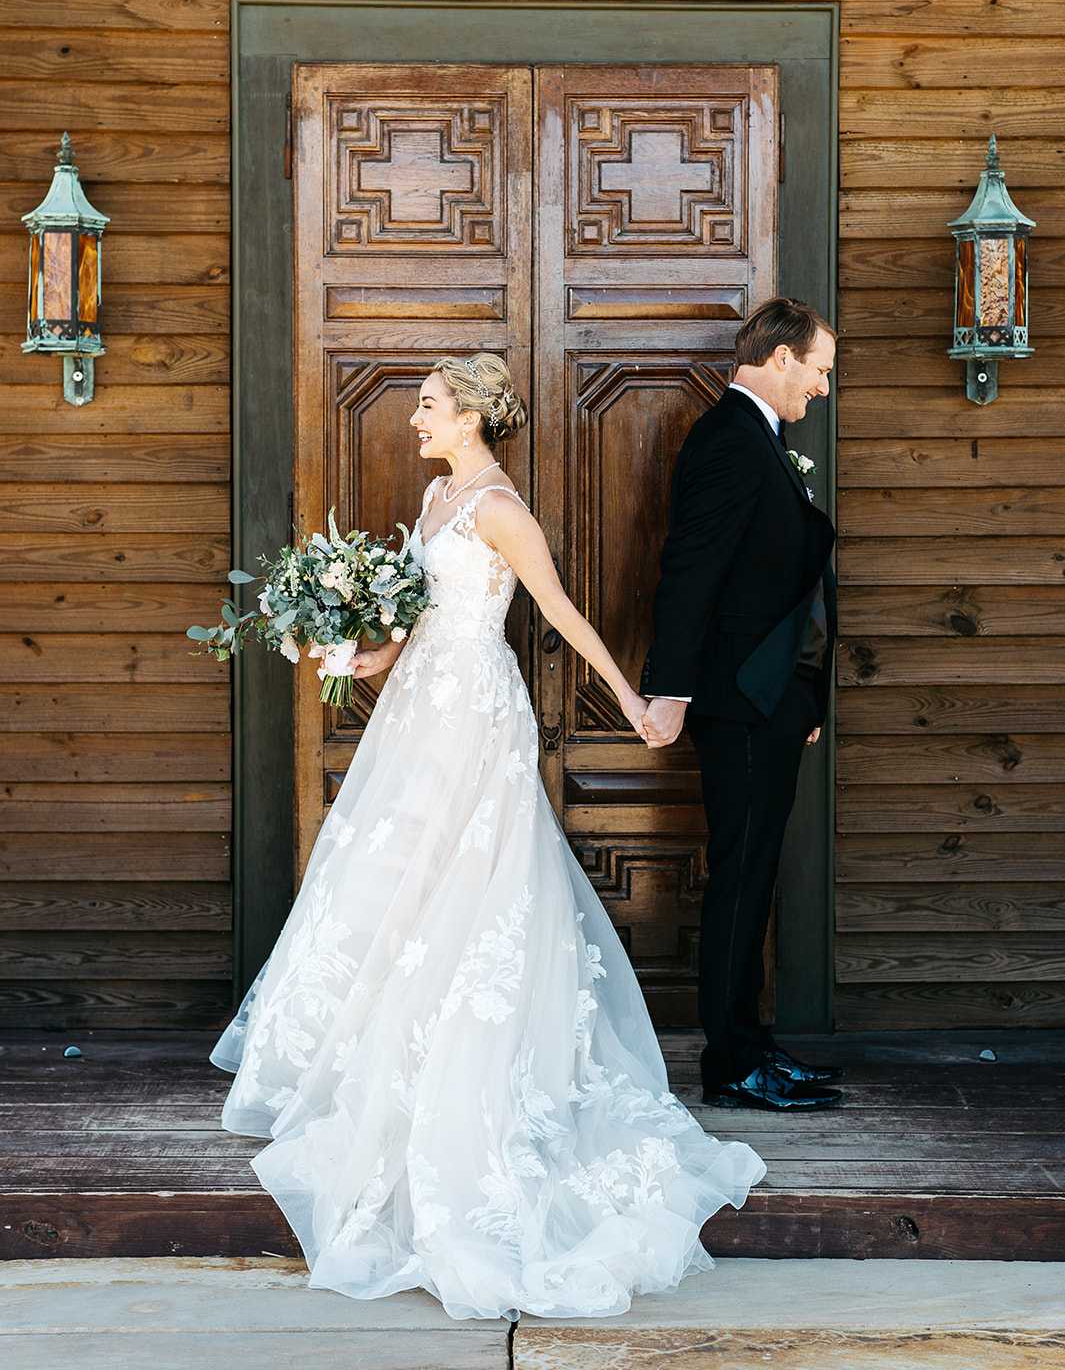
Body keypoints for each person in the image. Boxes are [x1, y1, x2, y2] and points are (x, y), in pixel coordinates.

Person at [210, 352, 765, 1321]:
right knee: (403, 868)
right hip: (419, 706)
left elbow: (558, 613)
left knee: (478, 874)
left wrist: (632, 699)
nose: (414, 418)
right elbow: (416, 620)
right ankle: (382, 1053)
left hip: (475, 711)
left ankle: (468, 1066)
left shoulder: (501, 509)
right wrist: (361, 650)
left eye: (428, 405)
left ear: (468, 414)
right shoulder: (435, 499)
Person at [641, 299, 843, 1113]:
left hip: (771, 699)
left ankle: (751, 1045)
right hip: (738, 699)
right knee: (740, 874)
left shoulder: (759, 437)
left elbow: (783, 585)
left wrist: (805, 693)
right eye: (819, 370)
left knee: (755, 872)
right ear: (782, 357)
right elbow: (690, 569)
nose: (822, 387)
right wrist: (670, 690)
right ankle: (729, 1063)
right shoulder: (728, 439)